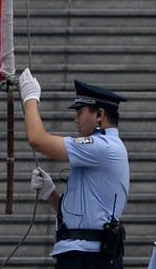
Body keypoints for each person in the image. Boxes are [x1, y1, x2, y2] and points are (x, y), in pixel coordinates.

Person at [20, 69, 129, 269]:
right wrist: (51, 193)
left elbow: (37, 139)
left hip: (90, 258)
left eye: (80, 112)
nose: (76, 119)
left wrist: (30, 98)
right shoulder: (99, 151)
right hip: (80, 255)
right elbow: (82, 217)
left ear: (99, 115)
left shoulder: (103, 147)